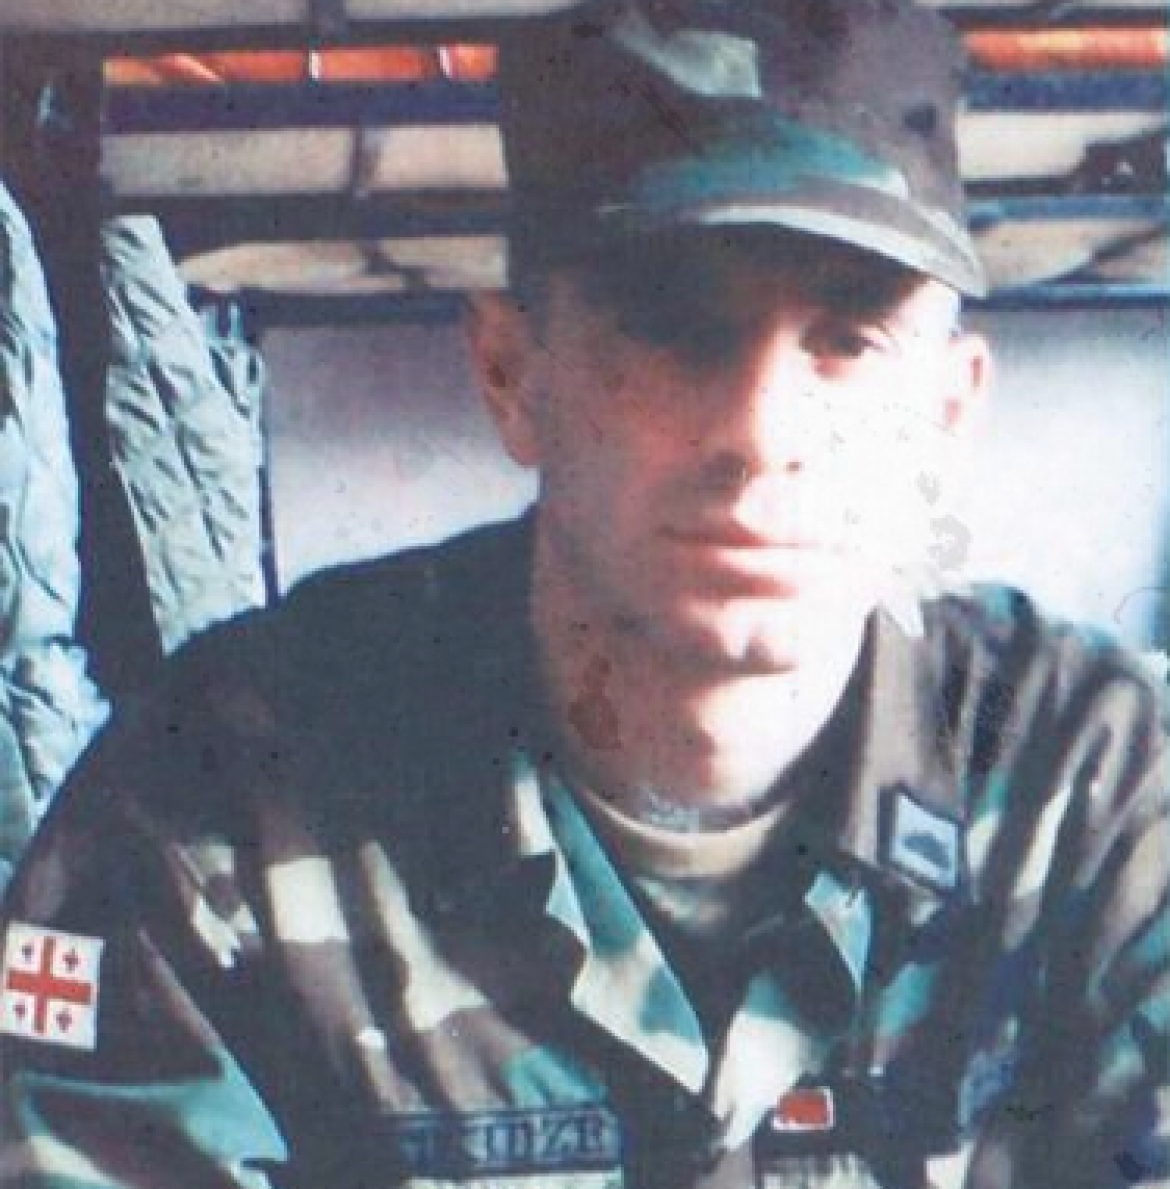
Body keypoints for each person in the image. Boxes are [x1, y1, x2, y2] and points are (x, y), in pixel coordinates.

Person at [0, 0, 1165, 1186]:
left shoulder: (1106, 789)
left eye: (848, 338)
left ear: (949, 415)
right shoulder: (212, 802)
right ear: (513, 371)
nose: (759, 434)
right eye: (675, 326)